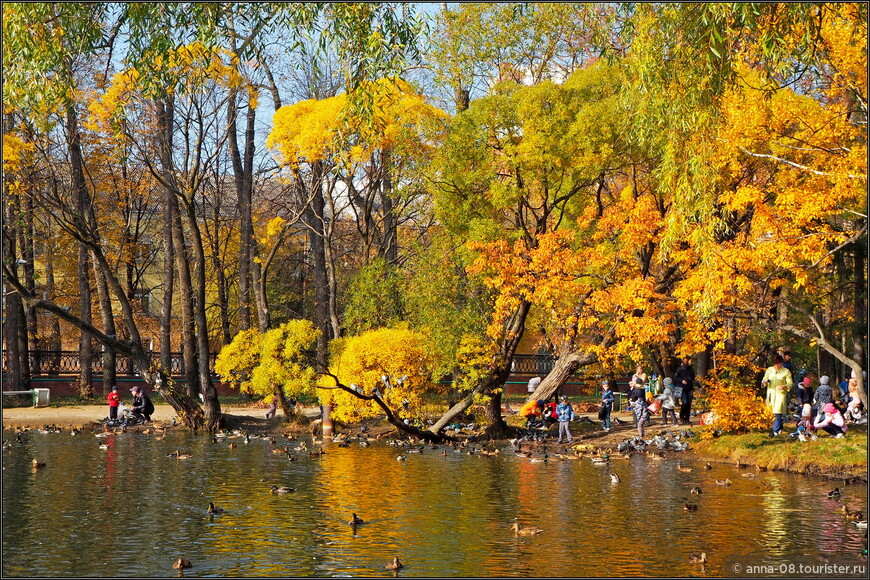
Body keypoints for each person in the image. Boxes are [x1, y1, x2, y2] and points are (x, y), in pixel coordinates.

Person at [762, 354, 793, 437]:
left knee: (777, 411)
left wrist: (784, 386)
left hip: (780, 395)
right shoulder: (769, 370)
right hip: (771, 394)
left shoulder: (786, 371)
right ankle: (779, 428)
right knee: (771, 412)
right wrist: (765, 382)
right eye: (775, 364)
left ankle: (774, 431)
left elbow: (790, 383)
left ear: (781, 363)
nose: (777, 366)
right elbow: (765, 379)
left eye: (778, 364)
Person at [674, 356, 696, 424]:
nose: (691, 362)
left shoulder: (691, 370)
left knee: (689, 403)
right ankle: (681, 416)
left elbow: (693, 378)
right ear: (686, 361)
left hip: (689, 388)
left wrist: (699, 386)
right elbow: (675, 377)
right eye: (690, 361)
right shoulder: (680, 369)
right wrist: (682, 380)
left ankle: (687, 418)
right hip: (682, 388)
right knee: (685, 402)